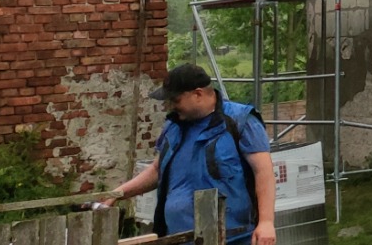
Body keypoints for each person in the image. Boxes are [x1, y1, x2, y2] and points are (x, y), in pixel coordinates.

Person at [100, 64, 276, 245]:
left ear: (198, 94)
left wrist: (266, 222)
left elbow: (263, 172)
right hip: (179, 238)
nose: (170, 106)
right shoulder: (173, 127)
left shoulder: (240, 121)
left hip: (232, 237)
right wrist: (118, 194)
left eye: (175, 100)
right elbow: (157, 170)